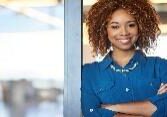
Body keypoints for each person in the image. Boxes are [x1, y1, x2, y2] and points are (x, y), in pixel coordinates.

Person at [81, 0, 167, 117]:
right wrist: (148, 110)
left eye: (131, 25)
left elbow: (165, 108)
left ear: (140, 27)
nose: (124, 32)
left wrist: (112, 108)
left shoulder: (161, 67)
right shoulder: (89, 73)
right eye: (115, 26)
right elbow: (91, 113)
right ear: (104, 30)